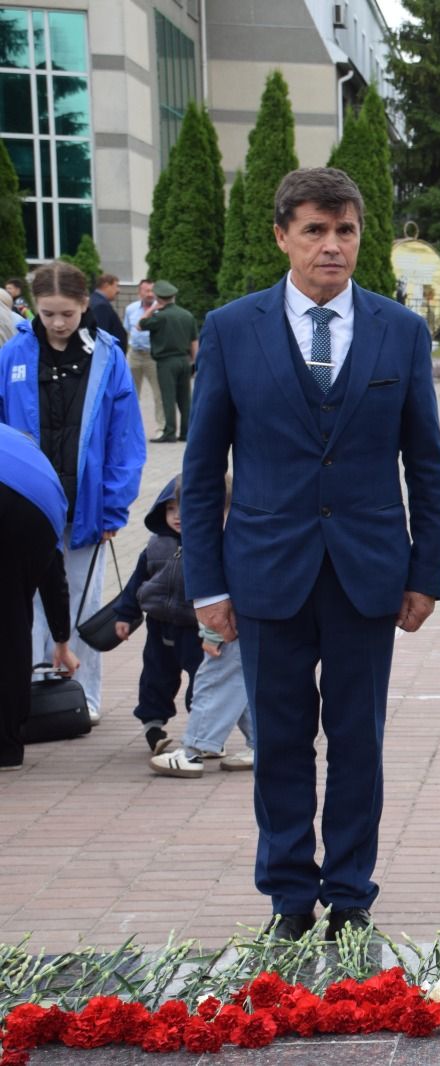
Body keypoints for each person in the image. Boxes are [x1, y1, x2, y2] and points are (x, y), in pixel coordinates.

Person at [183, 167, 440, 941]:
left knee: (359, 741)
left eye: (346, 231)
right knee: (281, 740)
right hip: (265, 572)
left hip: (369, 572)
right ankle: (290, 897)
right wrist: (206, 586)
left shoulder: (400, 331)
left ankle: (352, 894)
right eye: (315, 231)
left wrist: (425, 572)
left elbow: (424, 462)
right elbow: (202, 474)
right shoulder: (233, 329)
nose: (332, 246)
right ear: (282, 236)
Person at [0, 260, 145, 727]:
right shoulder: (12, 355)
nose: (58, 323)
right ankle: (28, 687)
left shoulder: (109, 357)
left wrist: (115, 504)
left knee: (81, 597)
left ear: (85, 306)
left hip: (86, 506)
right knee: (24, 600)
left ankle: (82, 693)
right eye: (48, 314)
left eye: (67, 313)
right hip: (24, 506)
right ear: (33, 309)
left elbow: (126, 437)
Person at [149, 475, 254, 778]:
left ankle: (194, 750)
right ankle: (260, 743)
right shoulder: (240, 534)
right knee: (241, 685)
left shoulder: (217, 541)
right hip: (241, 624)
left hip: (226, 627)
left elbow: (220, 595)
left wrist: (210, 634)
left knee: (213, 683)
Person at [0, 423, 78, 771]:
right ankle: (7, 747)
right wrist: (61, 640)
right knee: (13, 625)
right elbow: (53, 574)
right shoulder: (25, 453)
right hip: (34, 513)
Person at [110, 476, 203, 752]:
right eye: (171, 509)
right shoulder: (155, 546)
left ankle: (204, 730)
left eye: (186, 508)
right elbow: (136, 583)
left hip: (196, 628)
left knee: (203, 680)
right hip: (159, 625)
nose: (178, 516)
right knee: (155, 676)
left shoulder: (210, 545)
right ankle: (153, 727)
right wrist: (125, 615)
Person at [139, 281, 199, 443]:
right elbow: (194, 341)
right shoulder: (187, 315)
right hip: (184, 360)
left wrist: (152, 309)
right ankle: (186, 432)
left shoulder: (160, 317)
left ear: (159, 298)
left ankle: (170, 432)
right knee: (185, 398)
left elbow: (140, 325)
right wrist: (195, 362)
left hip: (166, 362)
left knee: (168, 397)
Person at [123, 280, 162, 438]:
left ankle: (161, 427)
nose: (149, 294)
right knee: (130, 392)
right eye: (146, 290)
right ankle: (130, 429)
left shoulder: (160, 310)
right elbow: (128, 329)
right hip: (134, 354)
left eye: (152, 290)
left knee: (158, 393)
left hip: (152, 355)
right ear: (140, 292)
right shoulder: (130, 309)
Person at [89, 274, 129, 351]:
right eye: (116, 286)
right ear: (106, 285)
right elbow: (102, 335)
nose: (118, 290)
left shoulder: (94, 300)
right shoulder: (101, 305)